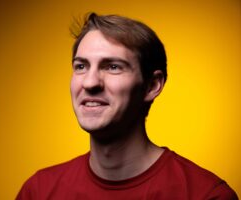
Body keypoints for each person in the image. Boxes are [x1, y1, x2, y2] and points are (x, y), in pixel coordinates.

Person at [16, 13, 238, 199]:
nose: (90, 82)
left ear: (151, 86)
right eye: (81, 66)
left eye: (112, 67)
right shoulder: (38, 192)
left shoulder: (205, 195)